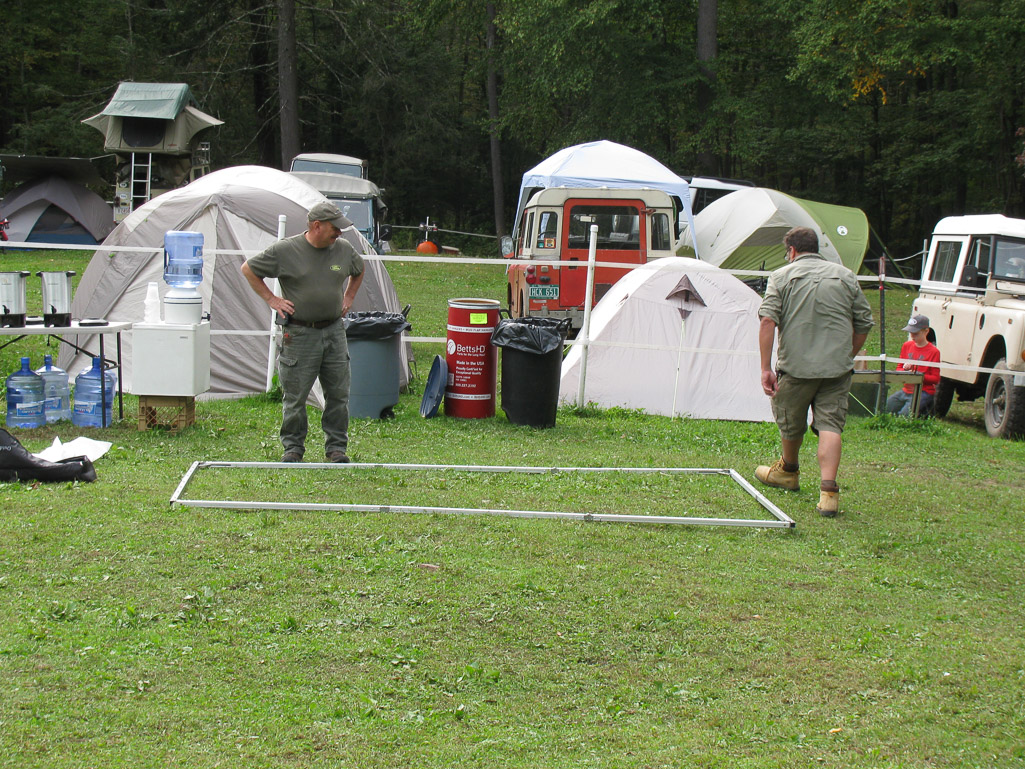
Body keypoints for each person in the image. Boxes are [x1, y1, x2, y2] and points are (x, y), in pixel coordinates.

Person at [755, 226, 875, 517]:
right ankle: (828, 493)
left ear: (792, 251)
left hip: (795, 368)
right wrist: (847, 355)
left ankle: (788, 470)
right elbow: (864, 322)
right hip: (836, 370)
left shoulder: (781, 277)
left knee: (789, 419)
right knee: (831, 425)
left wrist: (765, 368)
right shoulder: (846, 276)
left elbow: (768, 321)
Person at [241, 201, 365, 463]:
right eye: (334, 228)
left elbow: (359, 268)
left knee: (338, 394)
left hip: (334, 331)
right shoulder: (285, 250)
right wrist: (272, 299)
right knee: (295, 396)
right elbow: (248, 269)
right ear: (317, 226)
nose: (339, 233)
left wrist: (349, 296)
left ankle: (336, 449)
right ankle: (293, 448)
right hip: (299, 334)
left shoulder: (343, 249)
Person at [886, 314, 940, 417]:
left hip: (924, 391)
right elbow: (899, 368)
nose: (912, 336)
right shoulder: (906, 346)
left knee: (904, 415)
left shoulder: (934, 352)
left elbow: (935, 378)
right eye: (911, 333)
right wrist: (905, 371)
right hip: (906, 390)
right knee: (885, 408)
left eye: (916, 333)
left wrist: (917, 375)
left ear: (926, 331)